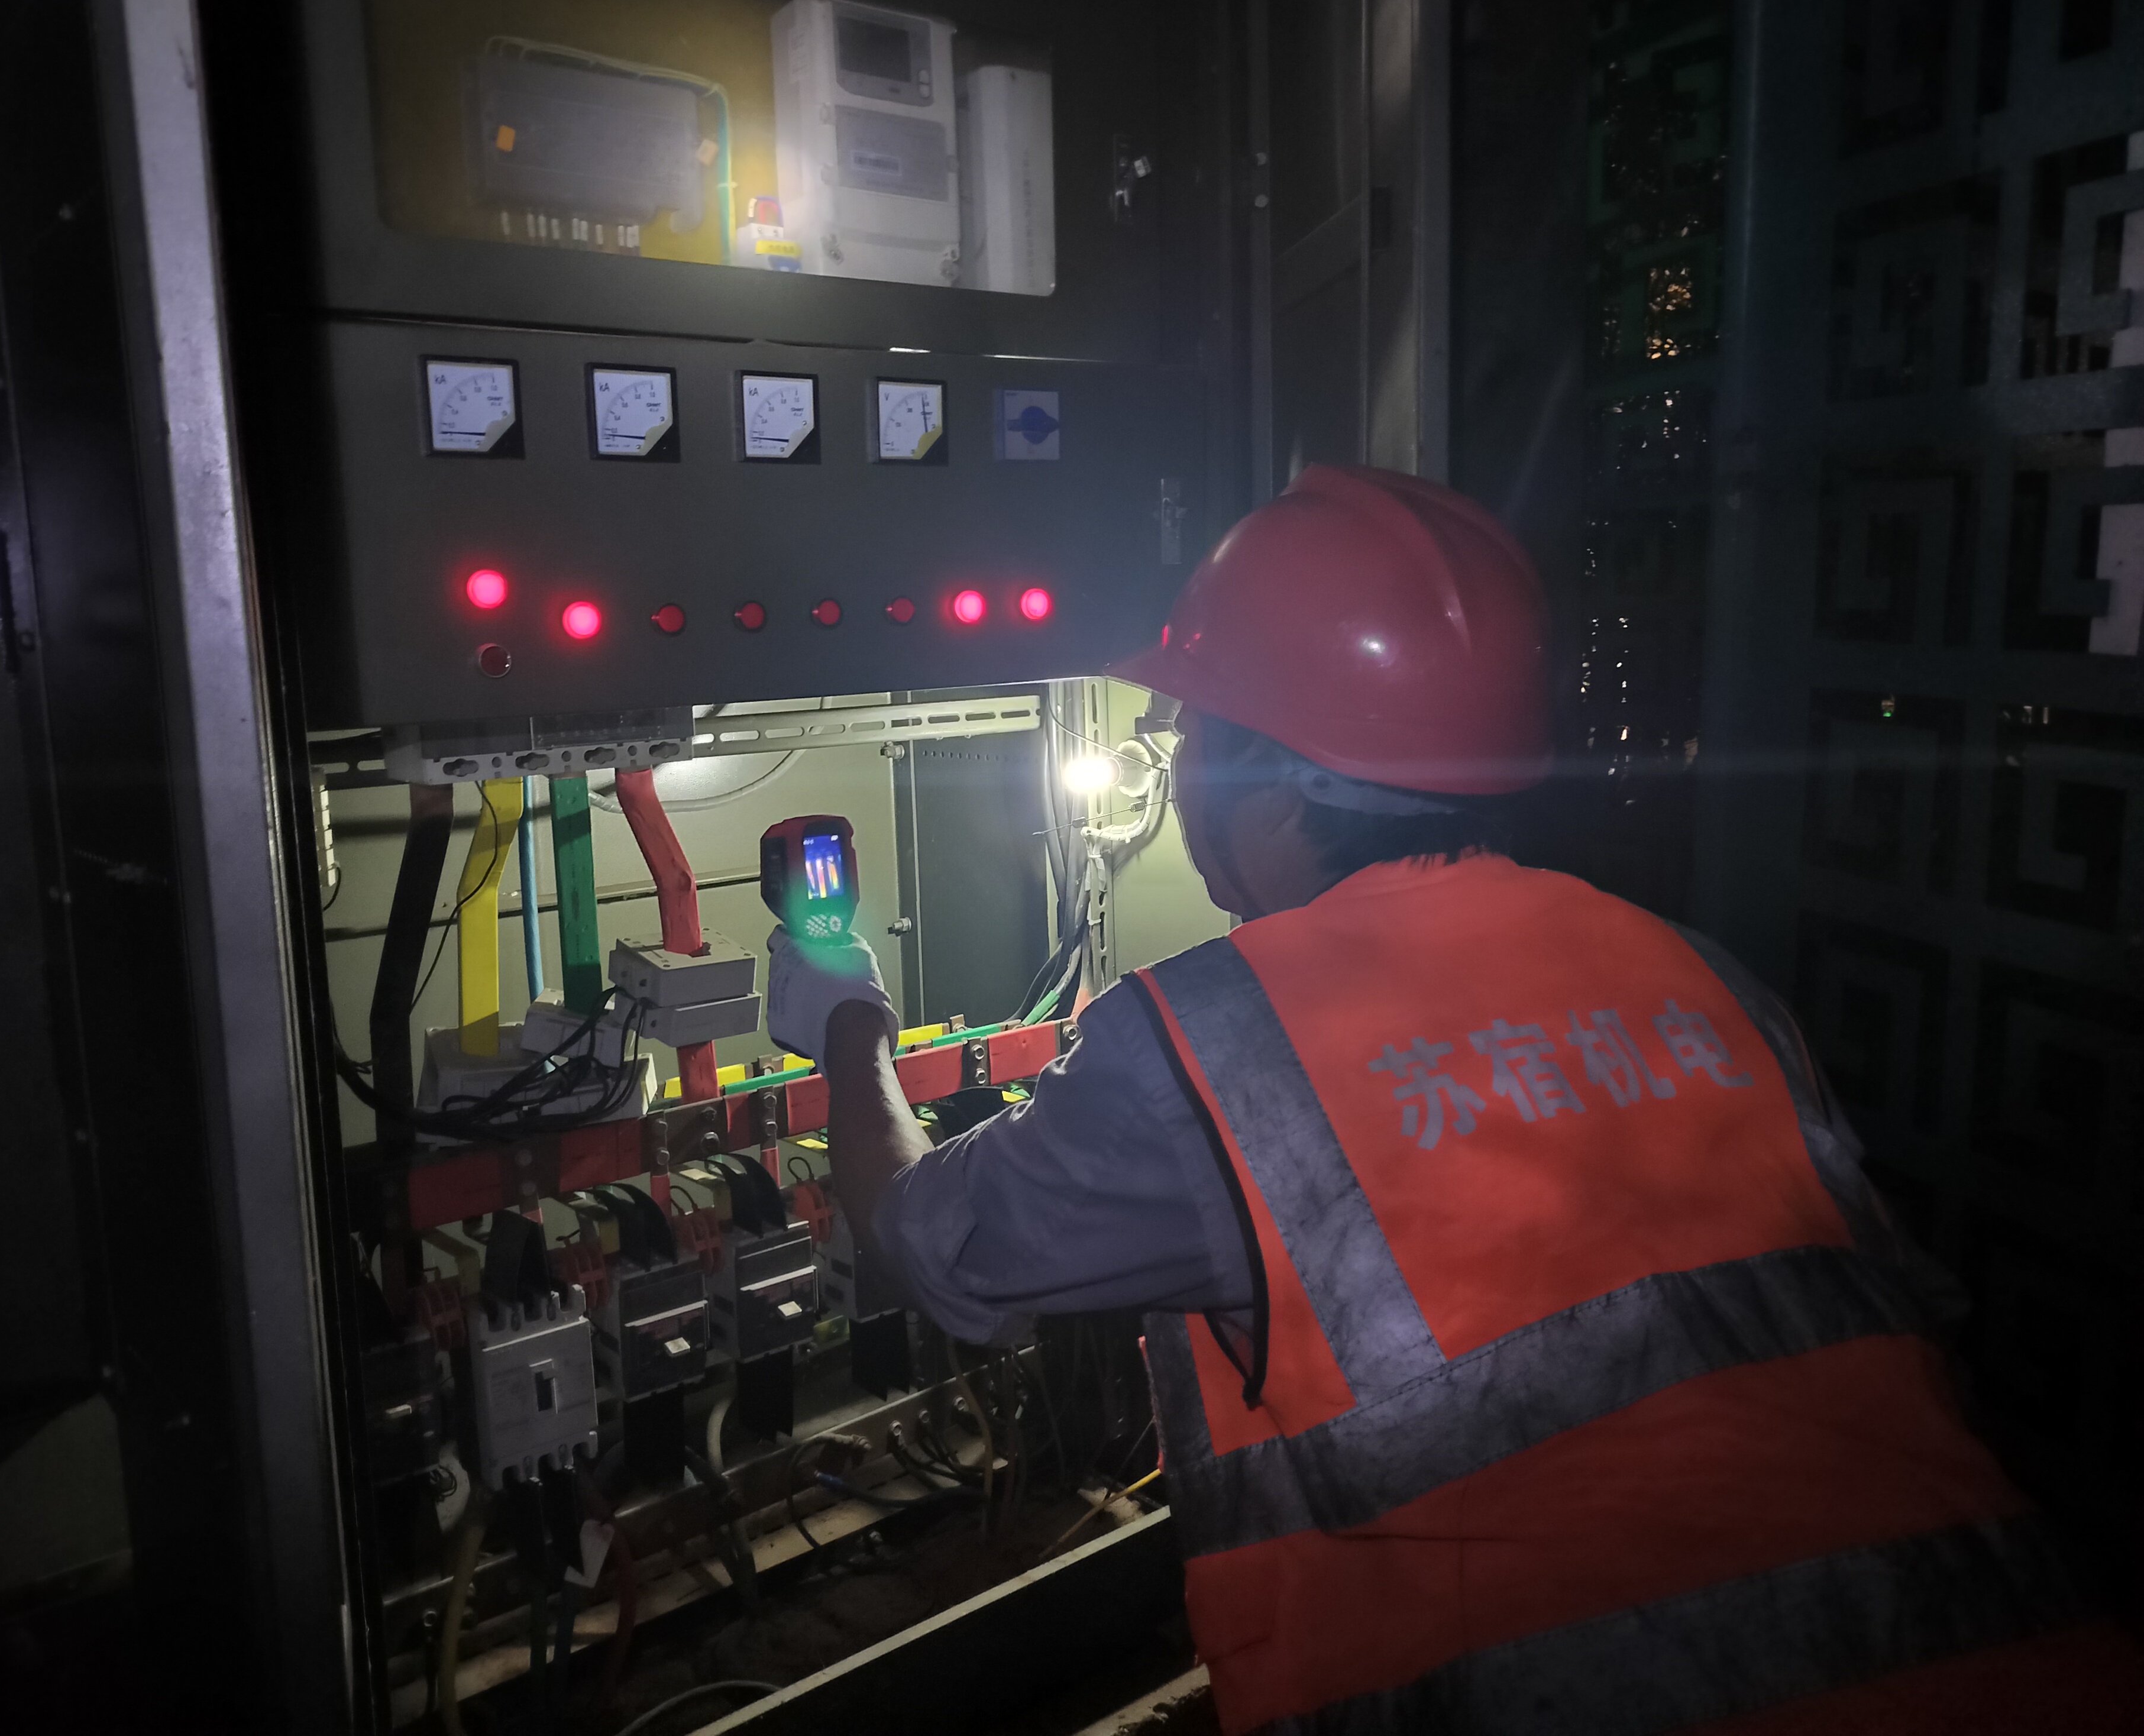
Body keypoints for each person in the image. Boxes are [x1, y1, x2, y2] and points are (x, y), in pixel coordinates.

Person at [764, 464, 2143, 1734]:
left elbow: (928, 1245)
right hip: (2026, 1653)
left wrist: (847, 1024)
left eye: (1185, 733)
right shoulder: (1698, 970)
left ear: (1257, 774)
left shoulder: (1208, 1042)